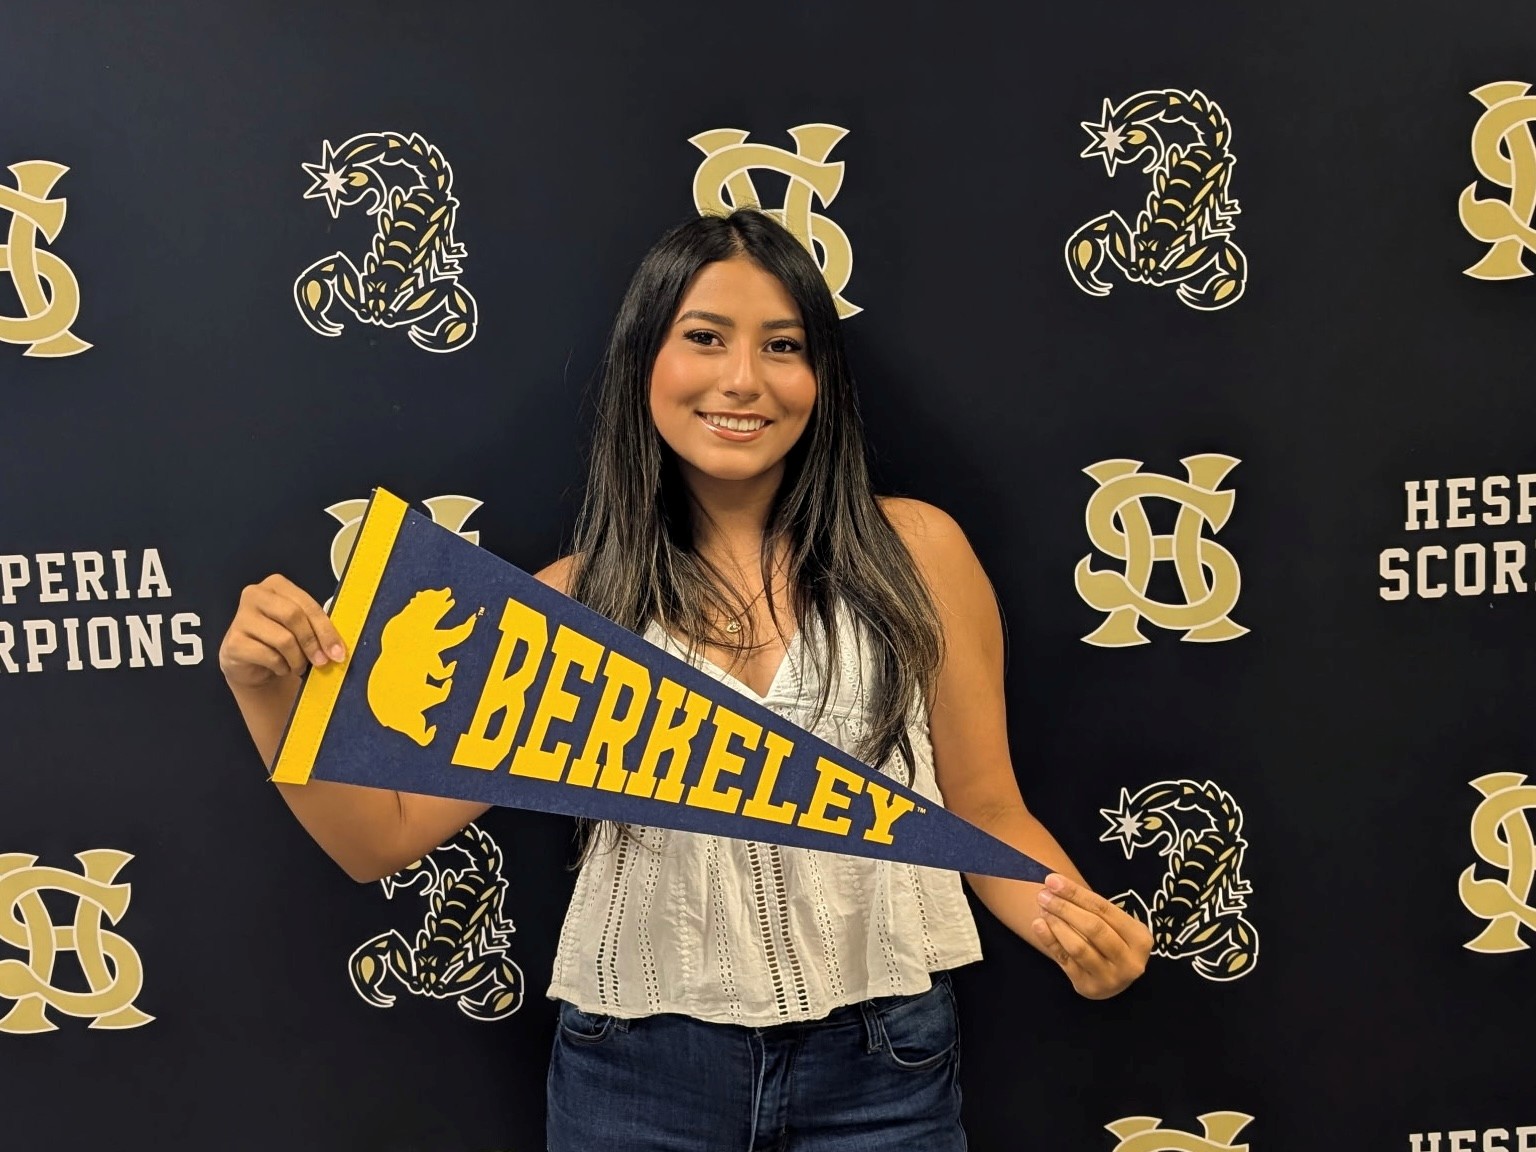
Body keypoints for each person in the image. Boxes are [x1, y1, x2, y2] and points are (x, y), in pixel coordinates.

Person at [218, 208, 1152, 1151]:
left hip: (885, 1070)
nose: (742, 379)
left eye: (782, 345)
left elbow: (984, 810)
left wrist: (1073, 925)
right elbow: (379, 837)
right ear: (646, 364)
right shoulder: (569, 604)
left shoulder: (917, 551)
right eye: (704, 337)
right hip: (637, 1079)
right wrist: (266, 692)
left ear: (821, 379)